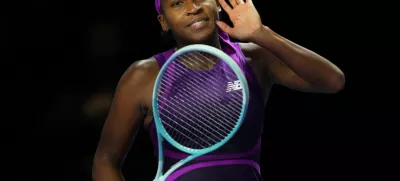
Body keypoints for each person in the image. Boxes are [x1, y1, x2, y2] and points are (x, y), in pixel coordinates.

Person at [92, 0, 345, 180]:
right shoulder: (144, 75)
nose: (193, 7)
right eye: (178, 3)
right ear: (163, 21)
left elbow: (332, 81)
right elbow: (106, 160)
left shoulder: (255, 60)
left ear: (217, 4)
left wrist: (261, 34)